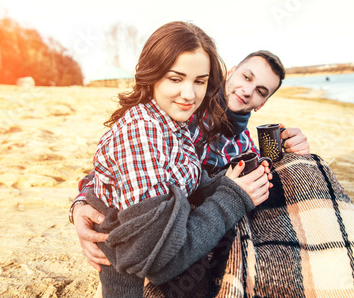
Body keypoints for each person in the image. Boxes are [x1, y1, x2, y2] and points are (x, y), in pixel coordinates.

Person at [72, 49, 354, 297]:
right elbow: (122, 164)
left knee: (300, 169)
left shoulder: (243, 137)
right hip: (189, 229)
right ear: (229, 72)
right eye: (246, 77)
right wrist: (78, 205)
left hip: (212, 212)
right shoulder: (186, 105)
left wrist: (291, 150)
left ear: (263, 103)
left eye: (260, 90)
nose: (247, 91)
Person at [81, 21, 274, 297]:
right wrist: (232, 197)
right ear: (153, 74)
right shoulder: (143, 130)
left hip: (174, 254)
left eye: (199, 81)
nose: (189, 94)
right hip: (136, 282)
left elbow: (187, 184)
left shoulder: (175, 122)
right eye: (175, 78)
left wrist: (230, 181)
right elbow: (160, 260)